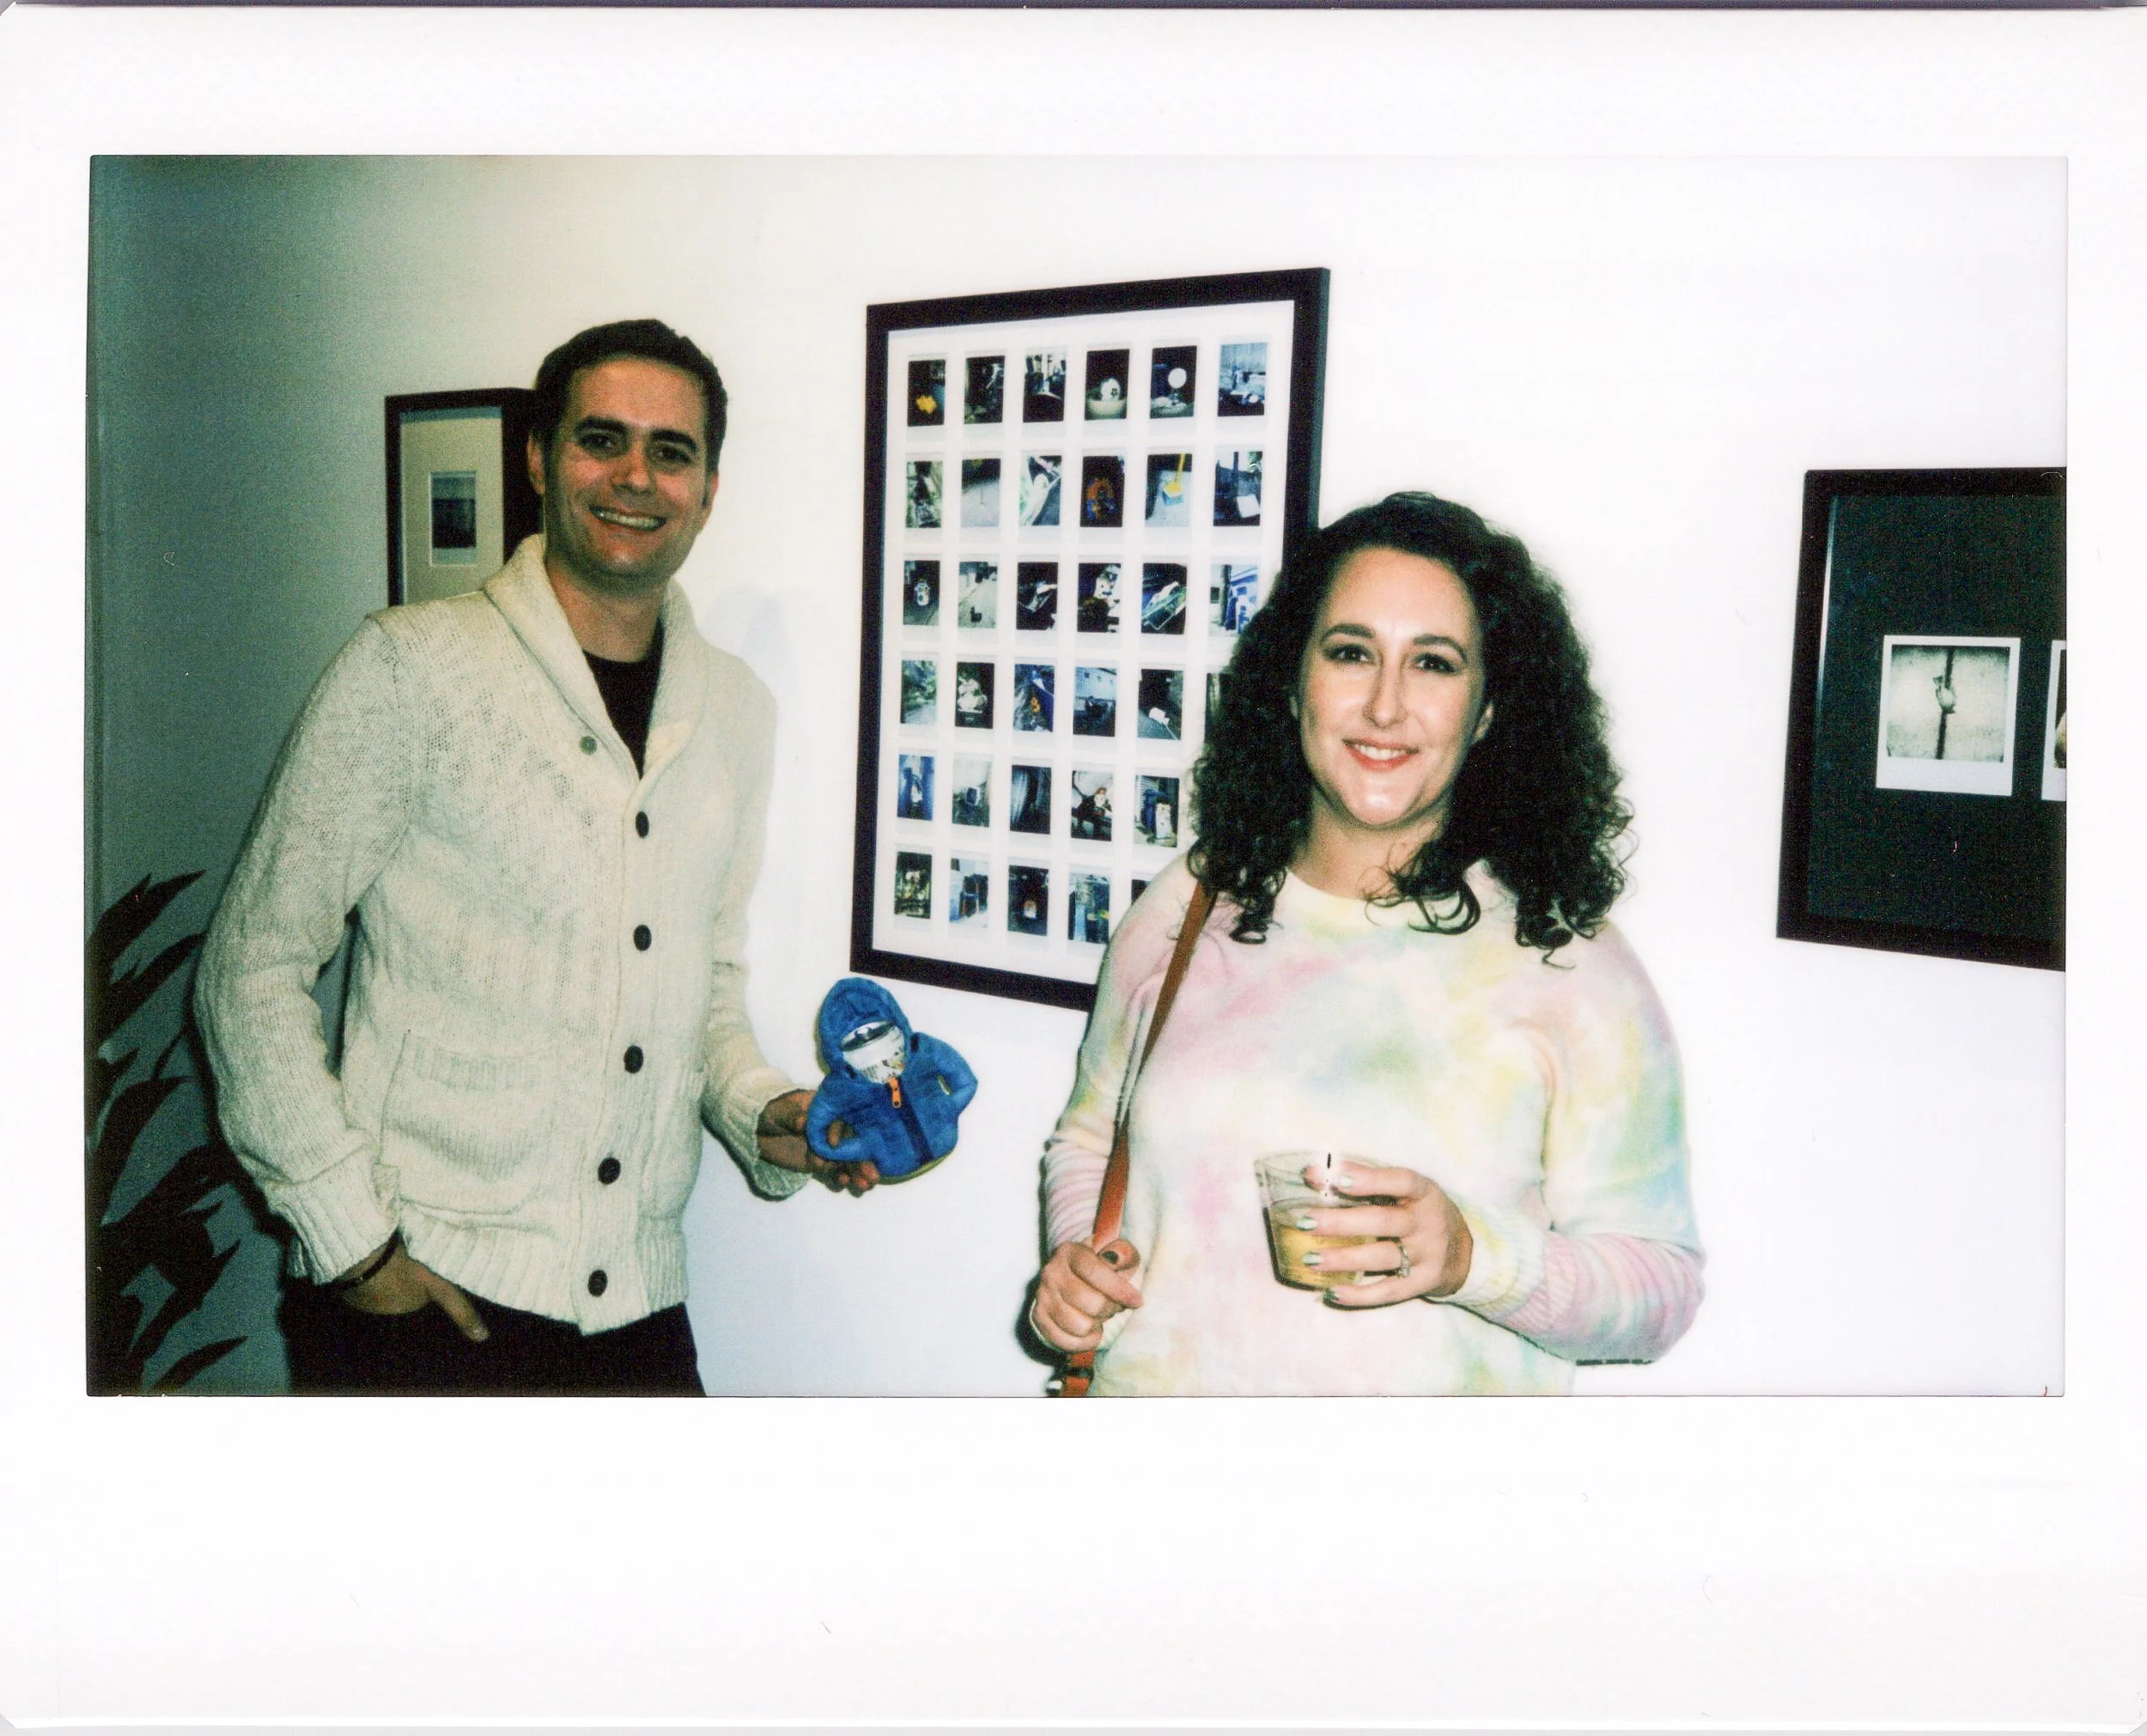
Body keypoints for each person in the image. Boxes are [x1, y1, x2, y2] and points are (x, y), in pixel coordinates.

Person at [197, 319, 874, 1398]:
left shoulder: (737, 712)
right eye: (601, 440)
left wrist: (765, 1115)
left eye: (671, 451)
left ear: (708, 490)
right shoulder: (410, 668)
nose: (635, 477)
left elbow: (700, 983)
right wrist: (354, 1243)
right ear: (538, 460)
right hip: (419, 1296)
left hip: (636, 1299)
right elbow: (249, 968)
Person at [1028, 492, 1703, 1395]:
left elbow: (1661, 1291)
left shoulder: (1566, 958)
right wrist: (1084, 1270)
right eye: (1351, 653)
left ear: (1488, 709)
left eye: (1433, 663)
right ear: (1293, 681)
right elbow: (1090, 1136)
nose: (1385, 707)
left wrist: (1472, 1257)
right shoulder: (1192, 899)